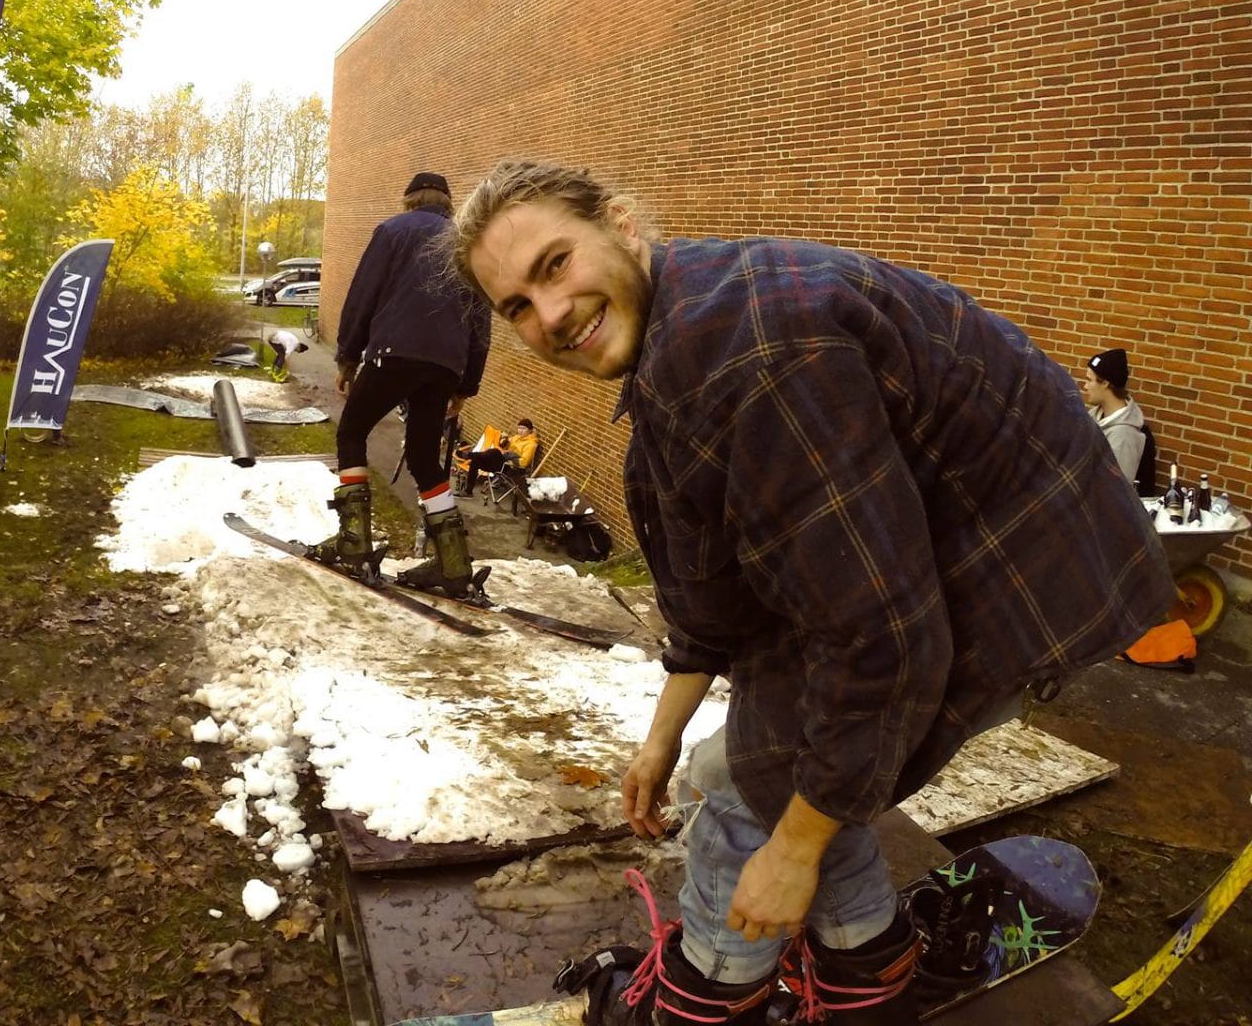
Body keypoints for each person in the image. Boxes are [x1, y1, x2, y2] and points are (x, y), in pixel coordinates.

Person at [450, 159, 1173, 1025]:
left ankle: (703, 999)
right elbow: (716, 597)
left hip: (1024, 565)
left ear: (623, 225)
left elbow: (884, 638)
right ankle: (871, 970)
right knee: (748, 766)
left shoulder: (743, 355)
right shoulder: (680, 338)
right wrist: (661, 738)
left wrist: (794, 850)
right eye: (517, 307)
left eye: (555, 265)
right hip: (919, 560)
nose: (551, 316)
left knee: (752, 794)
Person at [319, 170, 492, 597]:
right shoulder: (467, 242)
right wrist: (465, 384)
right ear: (448, 203)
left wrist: (347, 356)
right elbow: (480, 318)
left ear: (409, 200)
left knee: (352, 432)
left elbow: (364, 294)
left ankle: (354, 543)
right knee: (423, 456)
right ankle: (453, 565)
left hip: (394, 353)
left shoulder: (392, 231)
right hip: (444, 365)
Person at [1082, 348, 1149, 488]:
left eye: (1089, 380)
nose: (1085, 386)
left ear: (1105, 383)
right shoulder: (1093, 416)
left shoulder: (1124, 437)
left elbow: (1116, 491)